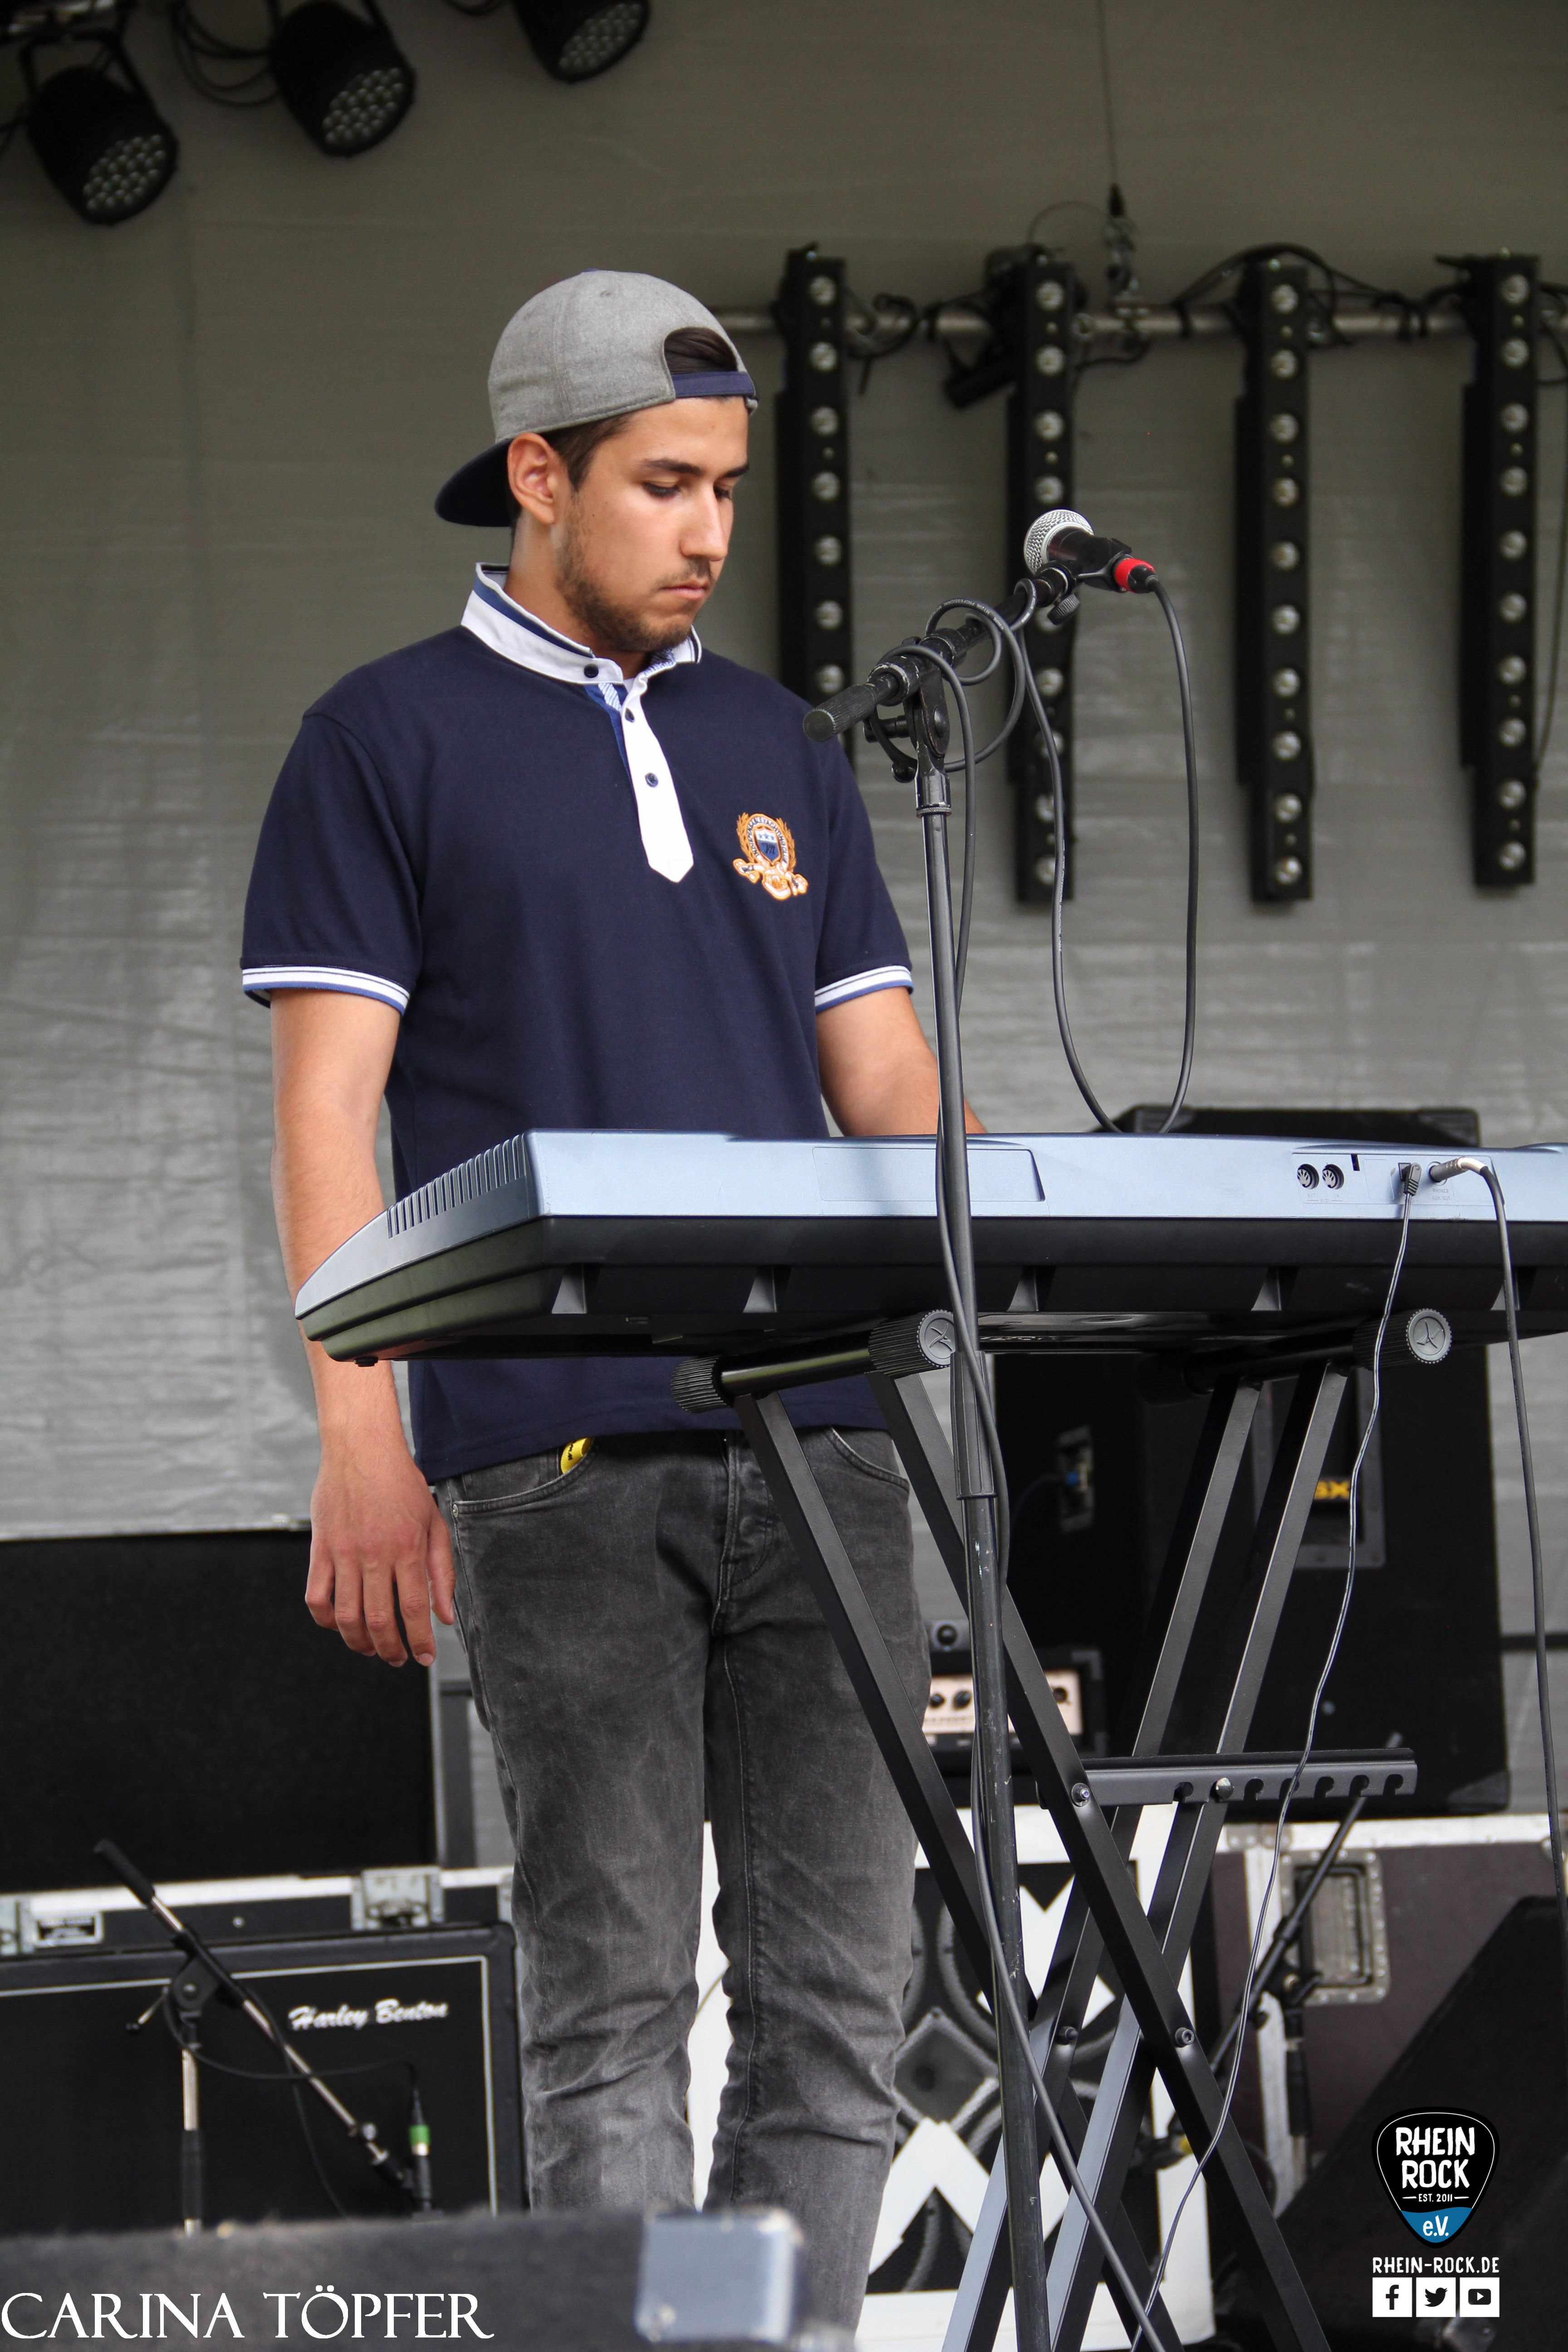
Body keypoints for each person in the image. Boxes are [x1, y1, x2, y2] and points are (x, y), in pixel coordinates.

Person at [242, 270, 969, 2328]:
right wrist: (363, 1431)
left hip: (828, 1436)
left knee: (844, 2000)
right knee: (614, 2001)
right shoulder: (381, 737)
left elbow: (887, 1081)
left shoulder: (780, 741)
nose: (710, 529)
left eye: (727, 487)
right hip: (549, 1449)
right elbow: (327, 1116)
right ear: (539, 477)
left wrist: (1038, 1215)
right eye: (665, 485)